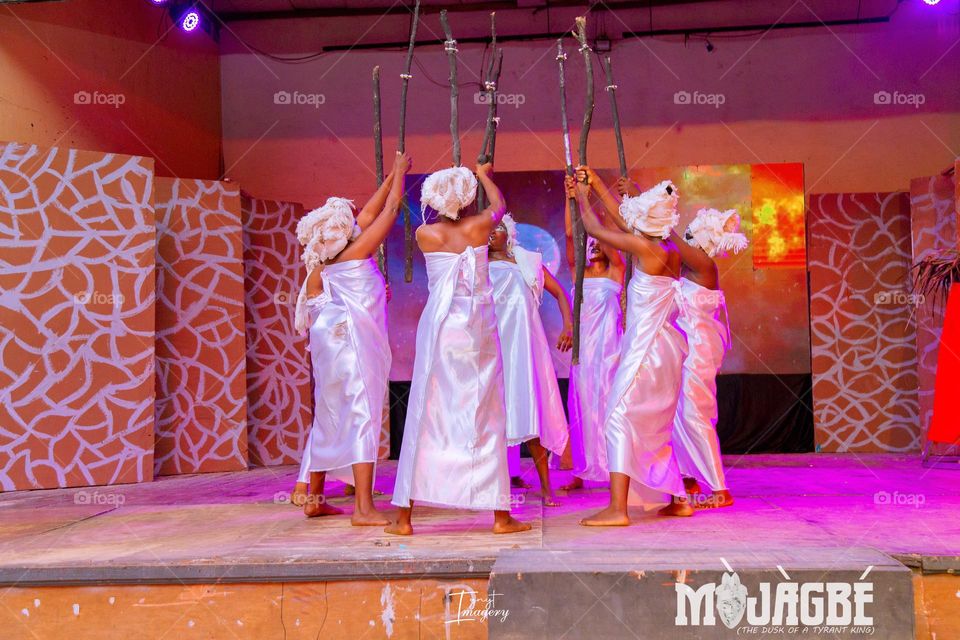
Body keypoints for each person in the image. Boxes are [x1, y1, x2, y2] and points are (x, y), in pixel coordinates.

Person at [387, 163, 530, 536]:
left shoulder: (424, 234)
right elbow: (499, 204)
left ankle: (404, 517)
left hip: (441, 331)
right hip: (477, 332)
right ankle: (500, 516)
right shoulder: (481, 227)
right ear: (466, 198)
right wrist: (484, 174)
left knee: (427, 412)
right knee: (486, 415)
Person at [292, 150, 411, 524]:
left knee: (328, 412)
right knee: (361, 411)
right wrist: (400, 177)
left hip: (329, 345)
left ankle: (313, 496)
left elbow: (372, 213)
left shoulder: (327, 262)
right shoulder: (356, 252)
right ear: (342, 234)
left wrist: (392, 174)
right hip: (351, 343)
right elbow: (389, 213)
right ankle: (363, 507)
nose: (358, 221)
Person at [574, 169, 693, 525]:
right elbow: (628, 221)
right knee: (653, 424)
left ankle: (617, 509)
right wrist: (594, 182)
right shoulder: (667, 246)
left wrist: (581, 196)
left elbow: (597, 230)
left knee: (619, 419)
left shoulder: (644, 246)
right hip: (664, 350)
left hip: (646, 351)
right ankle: (679, 498)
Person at [487, 213, 573, 506]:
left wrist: (569, 325)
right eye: (488, 228)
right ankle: (490, 488)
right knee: (493, 417)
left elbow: (561, 294)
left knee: (531, 415)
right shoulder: (477, 267)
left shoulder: (527, 262)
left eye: (497, 228)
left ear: (509, 234)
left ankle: (546, 487)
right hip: (492, 348)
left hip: (524, 347)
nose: (491, 233)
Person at [671, 207, 748, 508]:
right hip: (685, 349)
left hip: (699, 350)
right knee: (678, 412)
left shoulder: (704, 264)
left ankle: (719, 489)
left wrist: (640, 201)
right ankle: (687, 476)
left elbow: (670, 239)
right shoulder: (687, 270)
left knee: (694, 412)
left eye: (693, 231)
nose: (688, 234)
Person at [559, 173, 625, 491]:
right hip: (585, 350)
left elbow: (604, 234)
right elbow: (572, 236)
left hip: (610, 348)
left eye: (600, 244)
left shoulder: (616, 270)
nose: (595, 246)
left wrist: (589, 197)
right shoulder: (578, 274)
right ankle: (583, 469)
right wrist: (570, 196)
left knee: (609, 402)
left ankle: (616, 469)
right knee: (582, 404)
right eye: (592, 244)